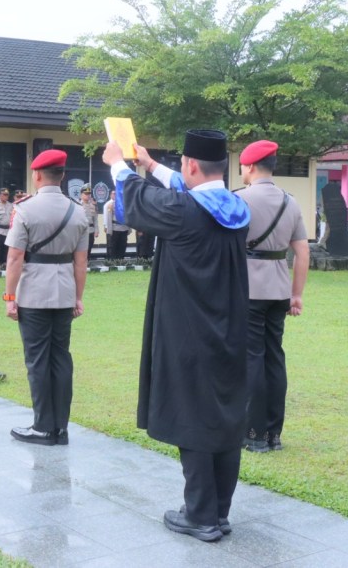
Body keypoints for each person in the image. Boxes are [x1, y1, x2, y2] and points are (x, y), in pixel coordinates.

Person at [103, 129, 250, 543]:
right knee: (223, 416)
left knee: (194, 418)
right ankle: (219, 511)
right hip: (229, 332)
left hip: (189, 333)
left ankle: (200, 515)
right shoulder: (236, 206)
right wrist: (150, 165)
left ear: (191, 165)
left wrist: (118, 162)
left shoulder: (182, 212)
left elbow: (140, 202)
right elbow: (184, 192)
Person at [3, 149, 88, 446]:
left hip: (34, 294)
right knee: (61, 358)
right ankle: (60, 428)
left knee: (37, 360)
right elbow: (81, 262)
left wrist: (9, 297)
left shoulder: (25, 209)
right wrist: (78, 297)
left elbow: (14, 258)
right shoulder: (77, 210)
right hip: (64, 292)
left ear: (37, 175)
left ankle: (42, 426)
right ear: (62, 175)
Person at [237, 140, 309, 454]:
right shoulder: (290, 203)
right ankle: (273, 435)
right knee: (274, 358)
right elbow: (303, 252)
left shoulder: (238, 200)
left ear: (250, 166)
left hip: (249, 289)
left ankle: (253, 433)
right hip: (279, 289)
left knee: (251, 358)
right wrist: (296, 294)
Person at [103, 189, 130, 260]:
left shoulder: (125, 204)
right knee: (113, 246)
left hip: (124, 227)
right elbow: (108, 218)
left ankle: (121, 261)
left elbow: (128, 216)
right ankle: (113, 261)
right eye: (114, 194)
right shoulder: (110, 204)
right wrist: (109, 229)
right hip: (115, 228)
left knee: (123, 245)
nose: (115, 195)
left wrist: (129, 229)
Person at [80, 184, 98, 257]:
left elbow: (95, 220)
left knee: (89, 248)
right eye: (86, 194)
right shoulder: (78, 205)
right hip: (83, 231)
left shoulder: (92, 206)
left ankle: (88, 263)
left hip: (91, 230)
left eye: (89, 194)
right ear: (81, 194)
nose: (88, 195)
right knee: (82, 250)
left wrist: (96, 230)